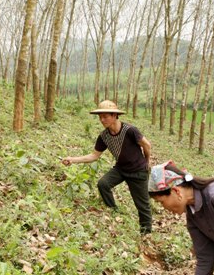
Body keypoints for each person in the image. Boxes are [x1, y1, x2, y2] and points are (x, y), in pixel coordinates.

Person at [62, 100, 152, 234]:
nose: (102, 120)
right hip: (121, 169)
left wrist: (146, 161)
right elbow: (94, 156)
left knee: (142, 205)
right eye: (100, 117)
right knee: (103, 184)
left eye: (105, 116)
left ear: (115, 115)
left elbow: (147, 145)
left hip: (138, 171)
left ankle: (146, 233)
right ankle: (113, 210)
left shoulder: (130, 130)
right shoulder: (104, 136)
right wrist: (72, 159)